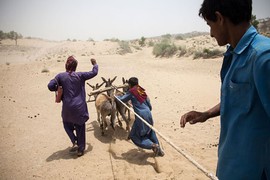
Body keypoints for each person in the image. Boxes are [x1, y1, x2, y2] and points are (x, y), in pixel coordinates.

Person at [180, 0, 270, 179]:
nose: (211, 34)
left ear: (220, 18)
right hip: (231, 168)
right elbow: (242, 98)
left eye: (209, 25)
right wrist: (206, 114)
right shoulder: (235, 54)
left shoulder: (262, 58)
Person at [48, 56, 98, 157]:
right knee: (80, 127)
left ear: (66, 65)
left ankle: (74, 140)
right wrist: (95, 64)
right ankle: (80, 149)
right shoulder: (81, 75)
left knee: (66, 124)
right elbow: (94, 72)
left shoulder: (60, 76)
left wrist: (58, 87)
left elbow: (50, 86)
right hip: (79, 108)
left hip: (67, 109)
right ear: (75, 66)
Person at [116, 77, 164, 157]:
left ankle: (153, 146)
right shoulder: (140, 90)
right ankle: (159, 150)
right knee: (150, 131)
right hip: (148, 113)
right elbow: (149, 104)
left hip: (141, 116)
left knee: (134, 136)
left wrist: (114, 96)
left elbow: (122, 99)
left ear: (130, 85)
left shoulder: (131, 91)